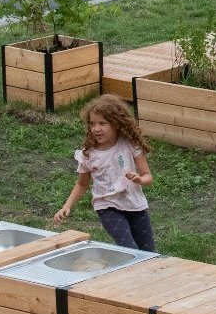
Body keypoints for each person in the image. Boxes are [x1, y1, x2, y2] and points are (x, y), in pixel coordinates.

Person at [51, 94, 155, 250]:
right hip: (107, 206)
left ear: (116, 124)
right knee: (130, 250)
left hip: (135, 205)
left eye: (102, 123)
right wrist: (67, 206)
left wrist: (139, 179)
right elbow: (81, 184)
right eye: (92, 124)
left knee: (149, 253)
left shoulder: (129, 145)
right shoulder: (88, 154)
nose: (96, 129)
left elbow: (148, 176)